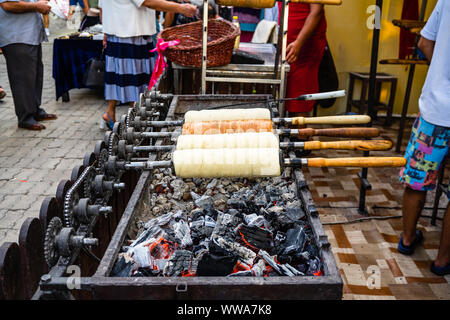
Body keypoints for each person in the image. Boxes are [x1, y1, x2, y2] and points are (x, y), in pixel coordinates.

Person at [398, 0, 450, 276]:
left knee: (416, 182)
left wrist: (441, 73)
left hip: (436, 112)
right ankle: (443, 260)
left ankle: (407, 240)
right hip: (437, 109)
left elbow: (423, 43)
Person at [98, 0, 197, 129]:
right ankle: (135, 121)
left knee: (118, 76)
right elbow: (148, 2)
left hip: (118, 32)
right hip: (131, 33)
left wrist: (107, 29)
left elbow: (102, 8)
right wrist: (180, 8)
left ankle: (111, 112)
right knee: (135, 80)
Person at [0, 0, 58, 131]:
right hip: (17, 36)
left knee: (34, 76)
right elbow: (8, 4)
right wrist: (37, 6)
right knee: (22, 79)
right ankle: (25, 117)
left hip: (30, 35)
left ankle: (35, 110)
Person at [278, 2, 326, 118]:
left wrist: (299, 43)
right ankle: (287, 133)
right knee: (286, 91)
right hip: (288, 40)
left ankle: (299, 134)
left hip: (305, 42)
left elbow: (316, 11)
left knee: (300, 92)